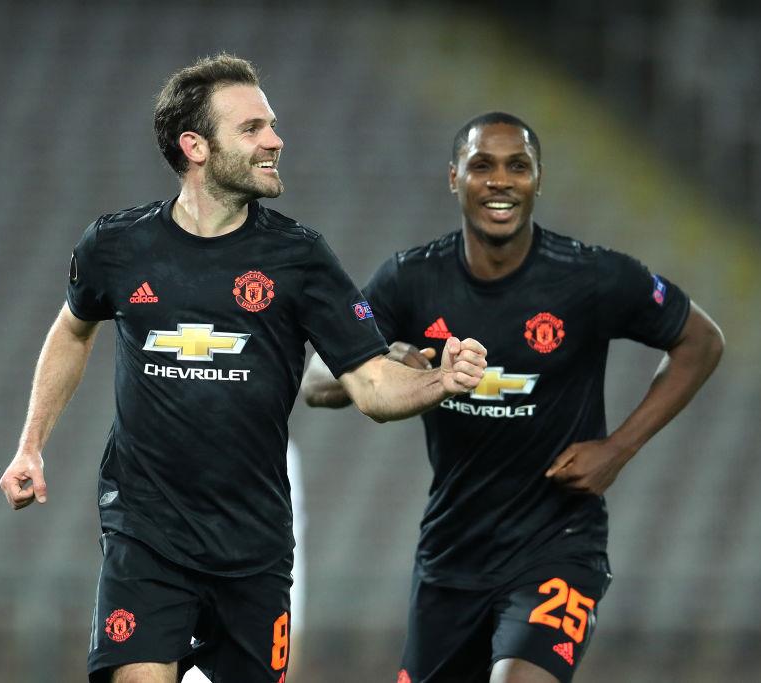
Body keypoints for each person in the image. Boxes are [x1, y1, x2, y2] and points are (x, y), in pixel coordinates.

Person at [0, 54, 488, 683]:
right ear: (195, 147)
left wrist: (441, 380)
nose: (275, 140)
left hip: (253, 545)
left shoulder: (300, 258)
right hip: (145, 532)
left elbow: (371, 384)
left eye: (272, 125)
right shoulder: (116, 246)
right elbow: (73, 328)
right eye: (252, 128)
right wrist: (31, 445)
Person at [301, 112, 724, 683]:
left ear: (537, 179)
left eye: (517, 166)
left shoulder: (590, 276)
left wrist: (619, 449)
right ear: (454, 177)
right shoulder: (411, 279)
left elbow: (701, 341)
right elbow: (315, 379)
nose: (500, 181)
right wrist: (383, 368)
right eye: (482, 165)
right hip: (453, 553)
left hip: (558, 546)